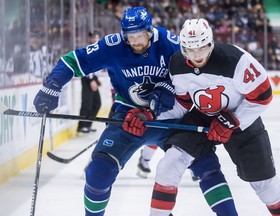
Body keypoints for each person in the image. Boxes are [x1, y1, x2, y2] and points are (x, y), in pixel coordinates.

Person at [33, 7, 238, 215]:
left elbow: (197, 76)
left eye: (140, 36)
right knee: (98, 173)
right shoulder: (112, 46)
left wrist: (169, 92)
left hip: (170, 116)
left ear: (149, 31)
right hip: (128, 118)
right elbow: (72, 60)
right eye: (131, 37)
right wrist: (52, 85)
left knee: (208, 166)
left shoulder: (171, 44)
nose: (136, 41)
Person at [148, 18, 280, 216]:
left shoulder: (235, 59)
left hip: (241, 117)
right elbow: (184, 103)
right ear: (183, 48)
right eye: (190, 49)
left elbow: (263, 96)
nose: (197, 56)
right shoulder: (177, 64)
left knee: (266, 187)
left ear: (210, 43)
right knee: (169, 164)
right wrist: (151, 115)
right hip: (203, 116)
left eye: (202, 48)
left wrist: (234, 120)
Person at [77, 30, 103, 133]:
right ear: (90, 39)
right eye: (93, 38)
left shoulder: (99, 50)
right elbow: (87, 66)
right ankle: (82, 126)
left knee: (97, 103)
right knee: (87, 103)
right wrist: (92, 79)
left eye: (96, 37)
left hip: (93, 78)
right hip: (87, 78)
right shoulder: (88, 50)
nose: (95, 39)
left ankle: (88, 124)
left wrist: (96, 79)